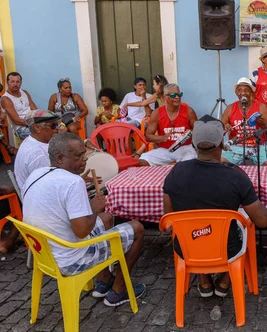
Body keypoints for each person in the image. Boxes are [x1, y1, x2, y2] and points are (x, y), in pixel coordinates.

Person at [22, 133, 146, 306]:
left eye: (84, 154)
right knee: (137, 228)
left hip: (45, 254)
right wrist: (95, 208)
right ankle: (119, 291)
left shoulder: (37, 174)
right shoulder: (72, 183)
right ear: (59, 158)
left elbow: (56, 196)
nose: (85, 159)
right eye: (79, 156)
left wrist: (80, 184)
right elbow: (81, 231)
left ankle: (103, 282)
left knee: (107, 218)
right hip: (71, 259)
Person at [162, 115, 267, 297]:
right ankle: (226, 280)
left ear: (194, 146)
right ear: (221, 145)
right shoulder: (236, 177)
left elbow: (168, 220)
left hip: (187, 248)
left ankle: (204, 282)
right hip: (227, 249)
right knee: (239, 224)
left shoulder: (176, 171)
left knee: (194, 225)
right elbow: (262, 221)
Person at [139, 84, 198, 166]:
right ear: (165, 97)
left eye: (179, 94)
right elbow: (148, 136)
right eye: (173, 95)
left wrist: (190, 133)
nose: (177, 97)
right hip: (165, 149)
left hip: (185, 149)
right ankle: (159, 178)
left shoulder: (189, 111)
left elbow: (199, 130)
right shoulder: (157, 113)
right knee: (143, 161)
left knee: (187, 166)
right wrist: (162, 138)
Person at [221, 77, 267, 165]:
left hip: (258, 146)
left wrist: (263, 123)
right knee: (221, 163)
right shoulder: (230, 108)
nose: (243, 93)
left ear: (251, 92)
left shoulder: (261, 107)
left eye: (246, 90)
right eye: (239, 90)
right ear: (236, 93)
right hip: (236, 146)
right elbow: (220, 127)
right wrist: (225, 126)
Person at [15, 110, 61, 192]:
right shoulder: (38, 155)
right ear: (37, 128)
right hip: (40, 197)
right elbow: (47, 187)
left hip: (35, 189)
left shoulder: (30, 140)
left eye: (57, 124)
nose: (57, 128)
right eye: (53, 125)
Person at [1, 72, 37, 140]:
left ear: (21, 82)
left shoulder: (25, 93)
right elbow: (17, 121)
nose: (15, 84)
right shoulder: (6, 99)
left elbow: (35, 110)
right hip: (22, 128)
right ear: (7, 82)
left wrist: (42, 119)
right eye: (12, 81)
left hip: (34, 123)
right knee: (46, 134)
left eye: (18, 82)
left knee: (59, 128)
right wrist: (34, 123)